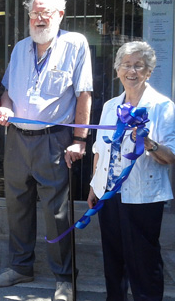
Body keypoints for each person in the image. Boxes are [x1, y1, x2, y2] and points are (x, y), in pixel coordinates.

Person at [0, 0, 93, 300]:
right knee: (17, 207)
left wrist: (79, 140)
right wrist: (5, 105)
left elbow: (84, 94)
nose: (37, 18)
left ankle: (64, 279)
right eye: (33, 13)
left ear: (59, 15)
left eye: (43, 13)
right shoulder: (21, 47)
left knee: (57, 212)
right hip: (17, 140)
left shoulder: (76, 44)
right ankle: (21, 267)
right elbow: (7, 90)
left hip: (54, 140)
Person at [88, 41, 175, 301]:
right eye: (126, 65)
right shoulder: (109, 106)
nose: (132, 71)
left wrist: (149, 143)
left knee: (143, 261)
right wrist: (95, 185)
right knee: (113, 259)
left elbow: (170, 157)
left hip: (143, 196)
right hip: (109, 193)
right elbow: (98, 150)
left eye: (139, 65)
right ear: (117, 70)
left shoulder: (162, 106)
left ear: (149, 71)